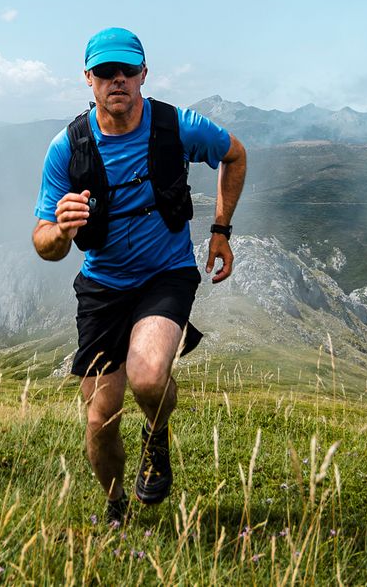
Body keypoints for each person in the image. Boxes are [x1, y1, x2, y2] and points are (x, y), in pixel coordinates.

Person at [32, 27, 247, 524]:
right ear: (88, 79)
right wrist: (62, 231)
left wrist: (220, 231)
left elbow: (234, 154)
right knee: (99, 420)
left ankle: (156, 436)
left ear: (144, 74)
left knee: (149, 377)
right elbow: (44, 244)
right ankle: (114, 506)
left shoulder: (177, 127)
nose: (118, 80)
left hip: (165, 275)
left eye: (128, 70)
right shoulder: (67, 148)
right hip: (102, 287)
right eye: (106, 72)